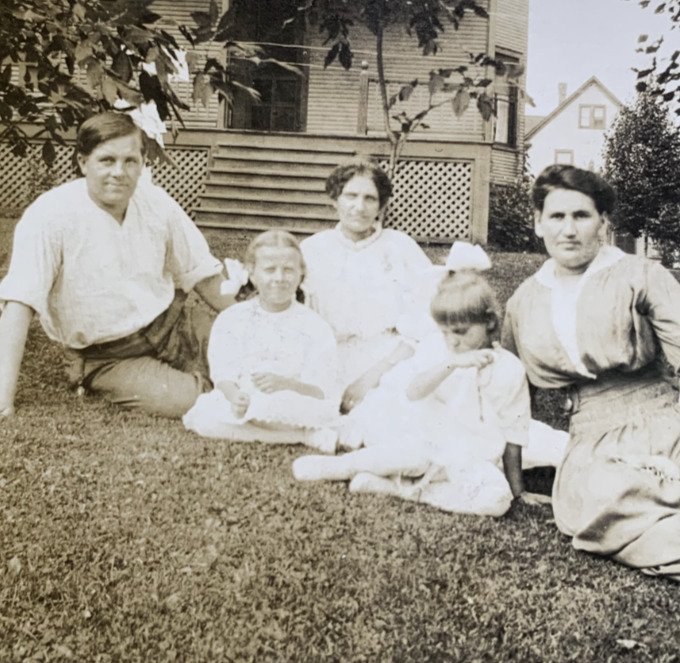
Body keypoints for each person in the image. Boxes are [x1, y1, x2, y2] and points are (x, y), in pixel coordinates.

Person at [502, 164, 680, 580]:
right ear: (537, 222)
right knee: (606, 501)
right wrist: (516, 486)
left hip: (663, 416)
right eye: (557, 216)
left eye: (581, 216)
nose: (569, 230)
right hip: (594, 441)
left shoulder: (640, 276)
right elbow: (510, 400)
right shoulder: (523, 303)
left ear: (604, 222)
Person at [0, 111, 235, 419]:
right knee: (189, 400)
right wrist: (3, 398)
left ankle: (241, 382)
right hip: (109, 355)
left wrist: (261, 324)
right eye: (106, 160)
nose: (119, 172)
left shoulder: (156, 202)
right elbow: (20, 302)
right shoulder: (49, 216)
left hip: (174, 324)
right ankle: (231, 392)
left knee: (256, 355)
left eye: (130, 161)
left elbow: (205, 276)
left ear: (142, 163)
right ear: (83, 162)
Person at [294, 248, 551, 516]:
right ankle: (342, 467)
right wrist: (452, 364)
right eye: (446, 332)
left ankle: (398, 489)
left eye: (461, 332)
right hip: (429, 441)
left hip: (471, 459)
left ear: (488, 322)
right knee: (409, 455)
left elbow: (514, 435)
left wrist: (517, 491)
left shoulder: (509, 369)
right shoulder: (439, 350)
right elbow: (414, 391)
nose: (453, 340)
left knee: (497, 500)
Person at [183, 230, 339, 451]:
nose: (279, 278)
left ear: (300, 274)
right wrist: (235, 396)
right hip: (244, 400)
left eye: (288, 270)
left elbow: (321, 390)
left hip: (292, 401)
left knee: (305, 409)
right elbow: (223, 375)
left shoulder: (315, 326)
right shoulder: (232, 318)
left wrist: (286, 385)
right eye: (269, 270)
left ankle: (289, 428)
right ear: (252, 274)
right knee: (205, 415)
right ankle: (302, 435)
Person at [300, 159, 434, 415]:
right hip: (328, 356)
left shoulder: (400, 247)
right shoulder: (312, 249)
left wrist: (374, 375)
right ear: (334, 200)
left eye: (370, 199)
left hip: (389, 358)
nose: (358, 207)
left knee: (397, 412)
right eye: (350, 195)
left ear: (382, 206)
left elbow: (425, 319)